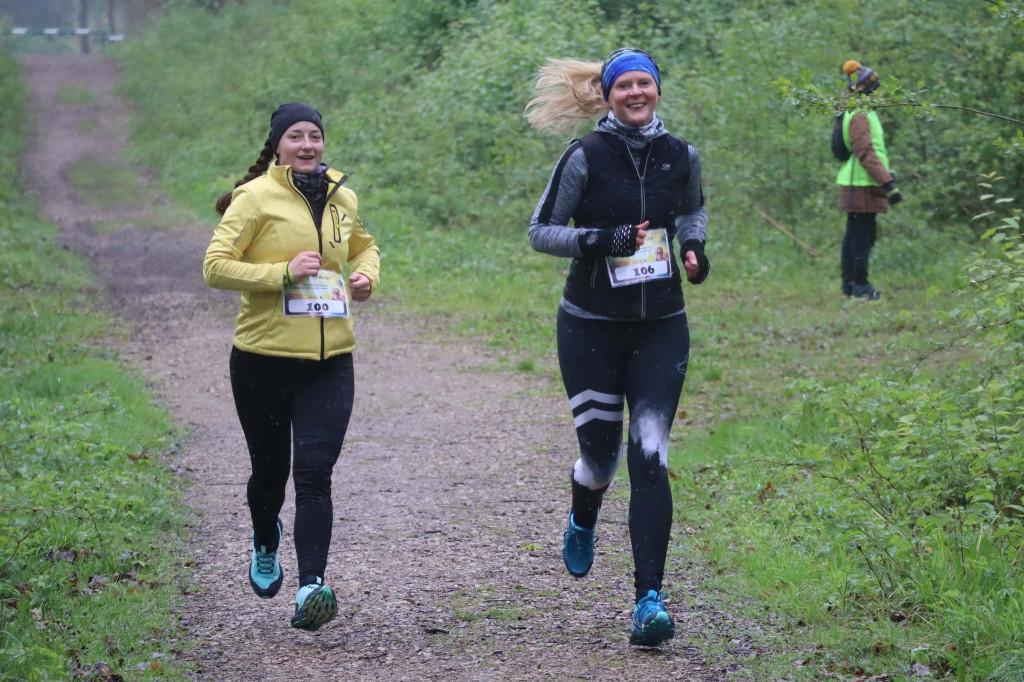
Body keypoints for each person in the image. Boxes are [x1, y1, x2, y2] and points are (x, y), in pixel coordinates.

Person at [525, 48, 709, 647]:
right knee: (601, 460)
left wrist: (694, 248)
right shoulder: (583, 157)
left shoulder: (682, 155)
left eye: (645, 84)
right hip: (590, 326)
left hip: (661, 326)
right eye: (624, 86)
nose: (636, 93)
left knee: (650, 454)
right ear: (607, 97)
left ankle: (648, 600)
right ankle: (583, 511)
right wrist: (598, 240)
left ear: (657, 90)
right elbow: (540, 232)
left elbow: (692, 210)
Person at [203, 101, 380, 632]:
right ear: (278, 145)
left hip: (330, 360)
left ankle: (311, 587)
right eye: (297, 137)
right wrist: (282, 272)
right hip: (262, 360)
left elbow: (366, 247)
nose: (308, 145)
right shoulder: (253, 197)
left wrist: (366, 276)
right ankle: (264, 536)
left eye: (315, 137)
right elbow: (214, 267)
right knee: (270, 472)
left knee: (315, 474)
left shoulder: (342, 196)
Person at [836, 60, 902, 300]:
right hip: (861, 184)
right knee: (862, 237)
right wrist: (888, 183)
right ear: (863, 88)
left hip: (859, 183)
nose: (878, 91)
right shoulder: (860, 114)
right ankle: (859, 285)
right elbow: (866, 153)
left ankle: (851, 285)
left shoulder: (859, 111)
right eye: (874, 86)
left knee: (856, 235)